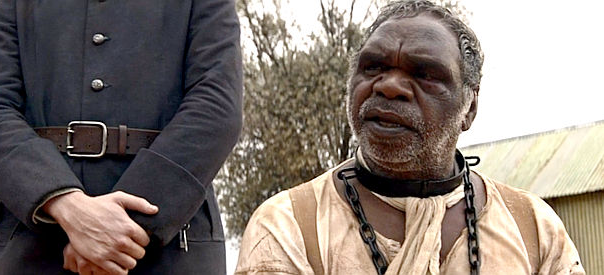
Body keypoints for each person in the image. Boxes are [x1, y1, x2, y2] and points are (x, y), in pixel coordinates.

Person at [235, 1, 584, 274]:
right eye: (373, 67)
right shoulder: (289, 226)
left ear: (470, 107)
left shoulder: (533, 228)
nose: (389, 86)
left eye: (424, 74)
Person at [0, 0, 242, 274]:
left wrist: (121, 229)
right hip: (35, 246)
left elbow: (216, 107)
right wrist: (66, 206)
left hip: (170, 250)